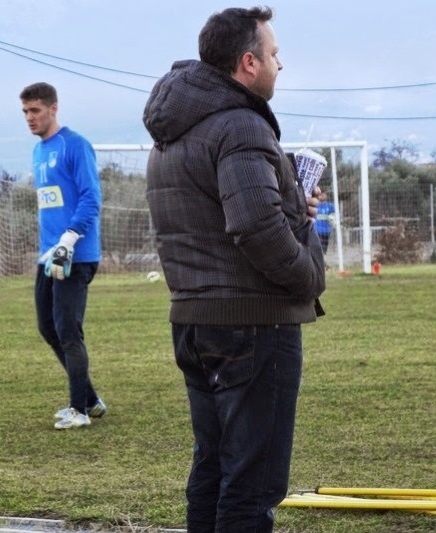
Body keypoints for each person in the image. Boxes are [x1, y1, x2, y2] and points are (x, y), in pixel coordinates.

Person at [143, 6, 326, 532]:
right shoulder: (241, 124)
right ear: (248, 62)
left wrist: (291, 201)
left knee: (213, 467)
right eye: (274, 54)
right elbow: (253, 226)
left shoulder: (175, 131)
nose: (279, 65)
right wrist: (307, 277)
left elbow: (217, 213)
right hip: (252, 325)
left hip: (196, 320)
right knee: (252, 483)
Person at [20, 82, 107, 430]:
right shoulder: (38, 151)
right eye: (25, 112)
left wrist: (70, 238)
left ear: (53, 108)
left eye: (35, 110)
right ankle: (90, 400)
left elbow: (91, 197)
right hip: (49, 256)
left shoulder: (75, 145)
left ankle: (79, 411)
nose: (30, 117)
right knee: (48, 327)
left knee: (69, 331)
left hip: (75, 254)